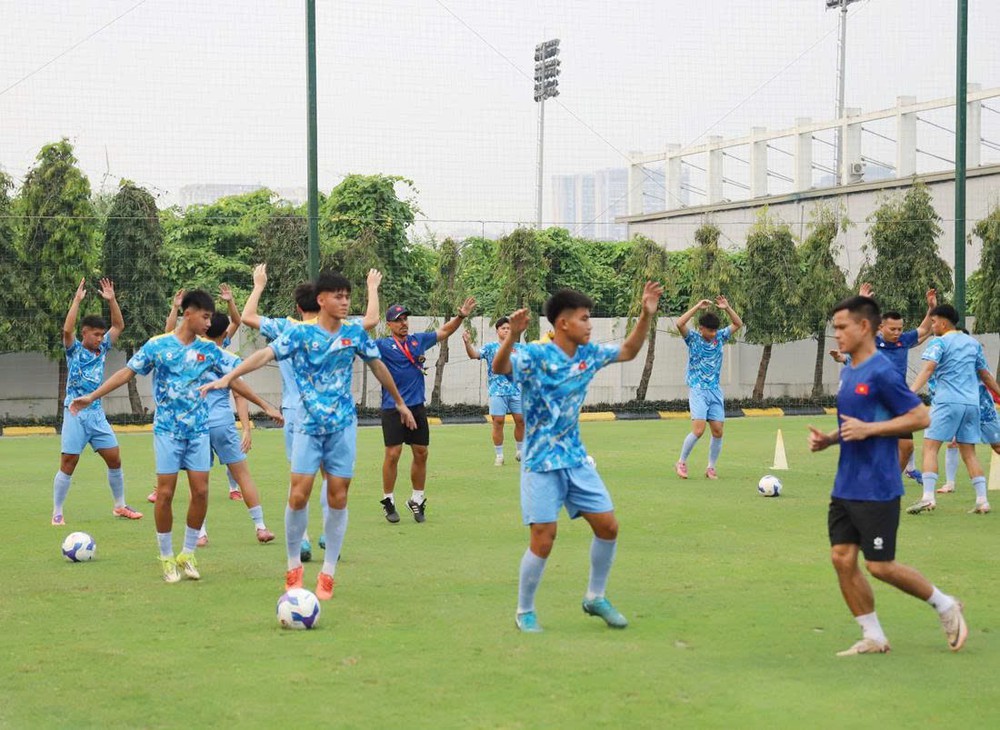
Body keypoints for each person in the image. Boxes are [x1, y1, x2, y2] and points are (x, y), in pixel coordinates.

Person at [202, 271, 415, 601]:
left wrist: (399, 403)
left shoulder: (355, 334)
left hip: (342, 427)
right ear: (321, 300)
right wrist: (228, 376)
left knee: (338, 495)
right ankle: (292, 566)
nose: (345, 301)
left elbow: (377, 367)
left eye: (348, 296)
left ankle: (328, 572)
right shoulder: (298, 333)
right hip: (305, 426)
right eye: (338, 296)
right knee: (298, 494)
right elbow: (264, 355)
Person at [70, 290, 280, 583]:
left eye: (210, 317)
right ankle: (167, 557)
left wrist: (266, 404)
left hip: (198, 431)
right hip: (168, 432)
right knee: (165, 493)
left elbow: (237, 378)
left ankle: (188, 553)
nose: (209, 323)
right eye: (205, 317)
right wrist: (91, 396)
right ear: (188, 313)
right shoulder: (158, 346)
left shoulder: (208, 351)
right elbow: (126, 374)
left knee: (201, 492)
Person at [493, 281, 664, 633]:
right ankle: (525, 610)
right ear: (564, 324)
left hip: (575, 460)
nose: (590, 325)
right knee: (543, 538)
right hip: (540, 463)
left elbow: (629, 351)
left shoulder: (588, 355)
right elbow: (500, 366)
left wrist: (646, 315)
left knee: (608, 526)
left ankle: (595, 597)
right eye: (585, 319)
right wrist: (512, 336)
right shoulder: (537, 356)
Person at [807, 294, 967, 655]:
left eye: (842, 327)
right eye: (835, 328)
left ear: (865, 327)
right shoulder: (850, 370)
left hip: (877, 487)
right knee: (841, 559)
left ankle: (946, 605)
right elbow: (856, 424)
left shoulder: (881, 372)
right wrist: (830, 439)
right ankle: (874, 636)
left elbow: (920, 418)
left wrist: (870, 431)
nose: (837, 334)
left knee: (880, 566)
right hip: (846, 484)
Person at [241, 264, 381, 557]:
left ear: (297, 305)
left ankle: (301, 538)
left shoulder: (287, 327)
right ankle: (329, 537)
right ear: (322, 300)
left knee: (299, 480)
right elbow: (372, 319)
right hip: (331, 416)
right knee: (332, 477)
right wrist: (371, 287)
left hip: (296, 412)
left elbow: (247, 317)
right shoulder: (338, 326)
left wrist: (258, 285)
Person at [375, 297, 476, 523]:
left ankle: (417, 500)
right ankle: (388, 500)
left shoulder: (418, 341)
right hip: (392, 407)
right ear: (389, 324)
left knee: (421, 453)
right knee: (393, 454)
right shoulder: (381, 345)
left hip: (417, 407)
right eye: (398, 320)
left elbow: (444, 332)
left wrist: (461, 316)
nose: (403, 323)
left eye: (405, 319)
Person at [52, 277, 142, 525]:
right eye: (96, 334)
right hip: (74, 413)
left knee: (115, 458)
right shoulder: (74, 349)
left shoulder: (102, 349)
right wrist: (76, 301)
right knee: (69, 462)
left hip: (96, 414)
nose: (101, 338)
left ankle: (120, 506)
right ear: (85, 334)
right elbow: (67, 330)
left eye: (102, 335)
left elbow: (119, 325)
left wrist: (112, 299)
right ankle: (57, 512)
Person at [829, 283, 936, 481]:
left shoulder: (904, 340)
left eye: (900, 329)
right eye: (893, 329)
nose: (897, 332)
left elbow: (923, 329)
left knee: (906, 447)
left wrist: (931, 308)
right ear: (880, 327)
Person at [906, 304, 1000, 515]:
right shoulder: (972, 343)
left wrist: (910, 391)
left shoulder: (939, 342)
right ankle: (982, 501)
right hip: (971, 404)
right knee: (969, 453)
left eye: (933, 322)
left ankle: (928, 498)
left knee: (930, 447)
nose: (932, 326)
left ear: (943, 322)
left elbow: (928, 369)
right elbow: (985, 375)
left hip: (947, 402)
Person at [673, 296, 743, 479]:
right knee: (698, 430)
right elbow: (679, 323)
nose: (713, 333)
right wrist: (697, 306)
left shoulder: (719, 337)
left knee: (718, 431)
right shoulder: (693, 339)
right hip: (698, 390)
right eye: (709, 330)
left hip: (715, 390)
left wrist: (727, 307)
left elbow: (738, 323)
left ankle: (711, 467)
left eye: (714, 330)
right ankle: (681, 462)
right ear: (701, 328)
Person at [462, 316, 525, 466]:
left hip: (516, 390)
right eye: (504, 328)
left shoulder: (519, 348)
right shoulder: (490, 348)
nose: (507, 330)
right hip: (497, 391)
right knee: (498, 422)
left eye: (509, 328)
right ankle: (499, 455)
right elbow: (473, 355)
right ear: (497, 330)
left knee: (521, 421)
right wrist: (467, 343)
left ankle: (520, 451)